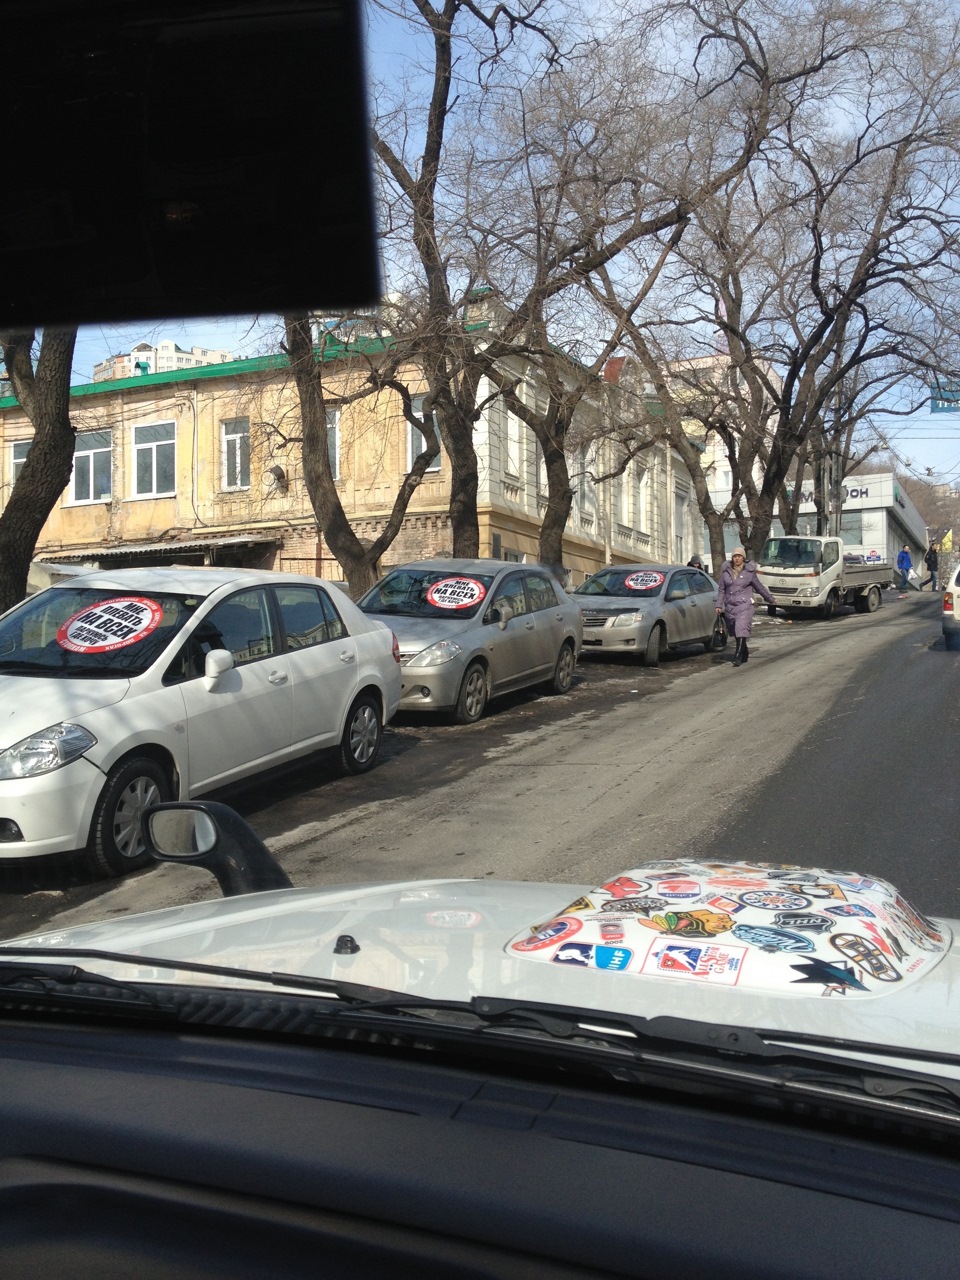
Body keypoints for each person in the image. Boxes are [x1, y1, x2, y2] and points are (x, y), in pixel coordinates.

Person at [715, 546, 775, 668]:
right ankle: (744, 651)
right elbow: (721, 589)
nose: (737, 559)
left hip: (745, 605)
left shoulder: (749, 573)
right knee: (735, 630)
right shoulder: (726, 572)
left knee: (741, 628)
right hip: (730, 606)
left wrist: (770, 599)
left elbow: (759, 587)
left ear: (743, 558)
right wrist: (718, 605)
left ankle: (738, 656)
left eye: (739, 556)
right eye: (735, 556)